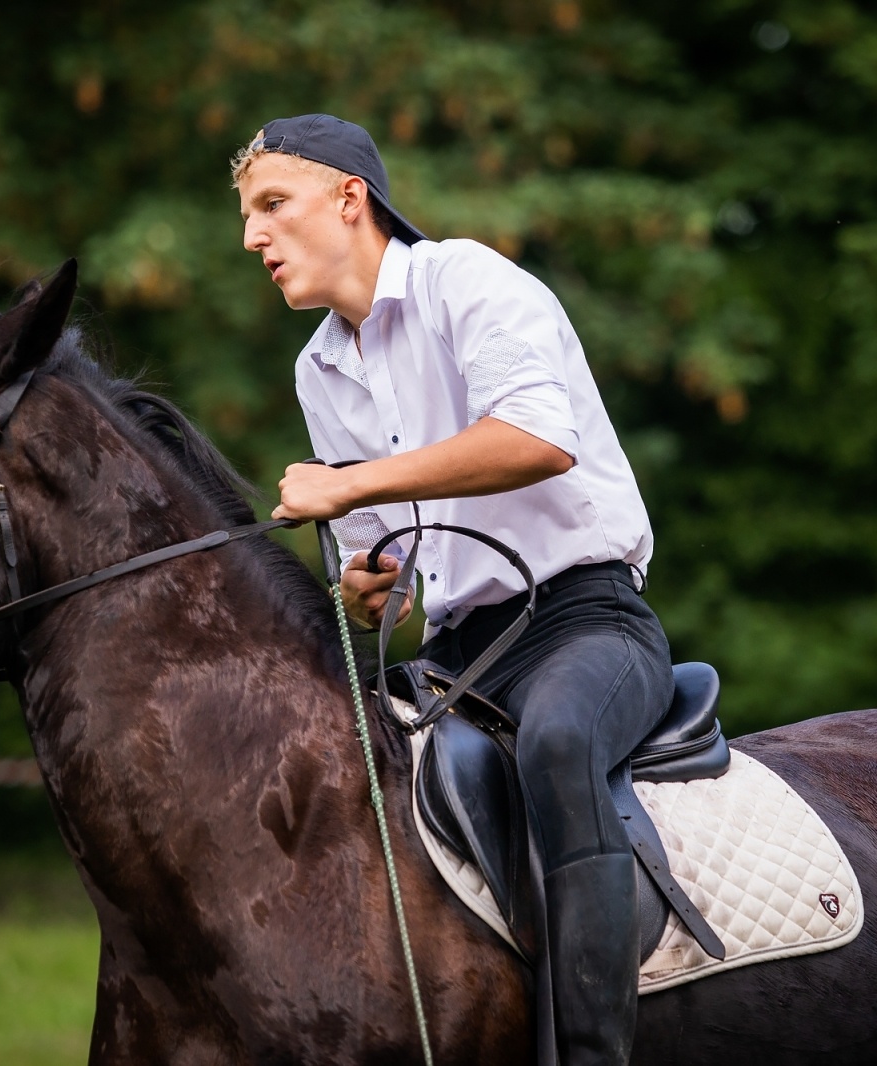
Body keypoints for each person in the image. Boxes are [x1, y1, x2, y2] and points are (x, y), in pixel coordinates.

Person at [234, 113, 673, 1065]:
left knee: (559, 741)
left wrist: (347, 484)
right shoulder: (318, 369)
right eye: (246, 216)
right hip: (456, 654)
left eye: (271, 206)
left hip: (586, 620)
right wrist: (365, 587)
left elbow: (536, 438)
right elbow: (385, 584)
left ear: (349, 199)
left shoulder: (464, 280)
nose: (250, 237)